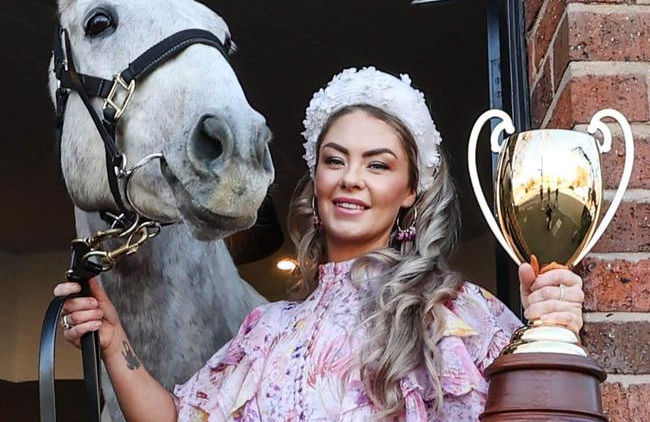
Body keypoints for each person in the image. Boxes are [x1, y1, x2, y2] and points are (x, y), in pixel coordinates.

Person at [54, 67, 585, 421]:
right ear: (317, 179)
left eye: (378, 164)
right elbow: (176, 418)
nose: (351, 178)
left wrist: (551, 330)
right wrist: (111, 337)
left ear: (409, 192)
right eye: (336, 160)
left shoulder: (458, 313)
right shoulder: (266, 332)